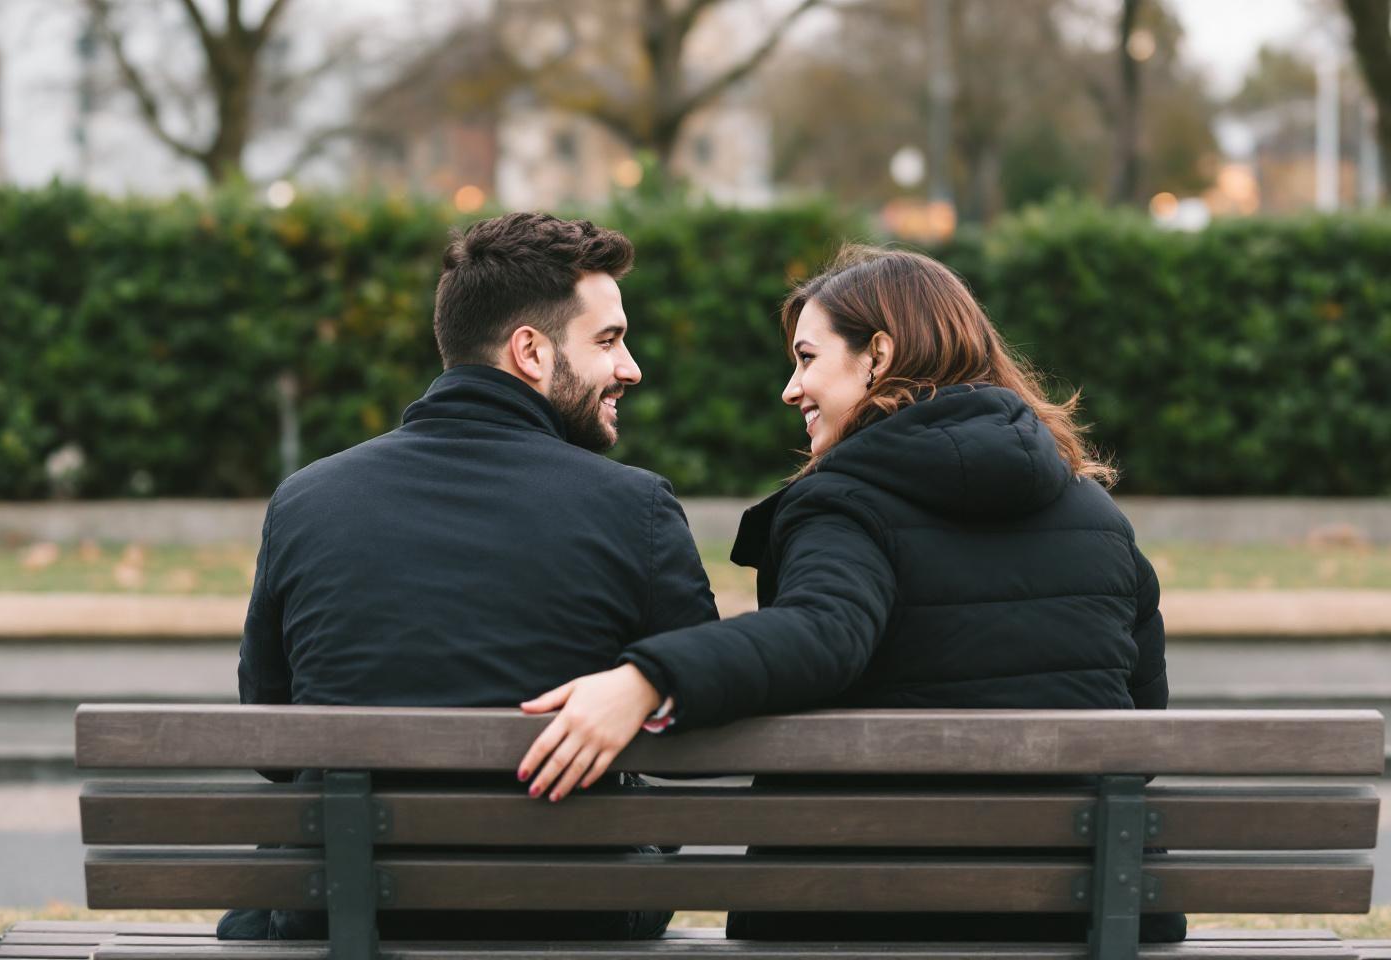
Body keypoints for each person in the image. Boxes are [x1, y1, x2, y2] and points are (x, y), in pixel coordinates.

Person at [516, 244, 1183, 942]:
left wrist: (647, 678)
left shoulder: (846, 504)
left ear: (879, 356)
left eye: (807, 358)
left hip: (875, 910)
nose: (790, 389)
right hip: (1091, 911)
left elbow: (823, 635)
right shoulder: (1096, 514)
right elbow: (1143, 712)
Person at [221, 212, 718, 942]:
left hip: (347, 908)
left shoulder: (307, 499)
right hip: (572, 915)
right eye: (608, 341)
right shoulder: (634, 508)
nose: (630, 367)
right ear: (531, 352)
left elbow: (273, 743)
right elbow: (698, 737)